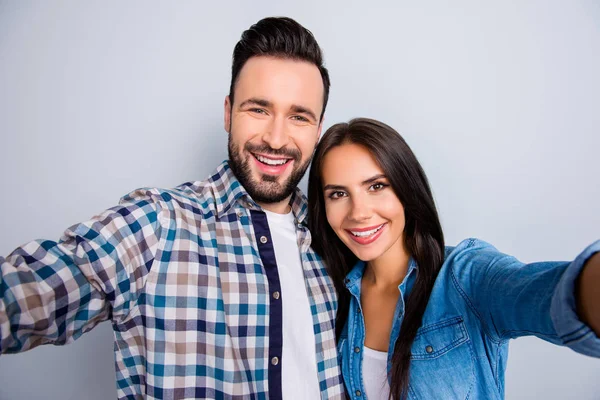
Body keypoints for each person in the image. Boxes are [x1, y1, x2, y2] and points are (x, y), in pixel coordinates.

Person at [0, 17, 345, 400]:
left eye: (298, 116)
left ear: (317, 130)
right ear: (228, 113)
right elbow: (28, 294)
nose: (276, 138)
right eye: (258, 110)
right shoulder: (157, 224)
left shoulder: (335, 239)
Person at [307, 118, 600, 399]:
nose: (358, 212)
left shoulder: (464, 277)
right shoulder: (336, 295)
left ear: (406, 188)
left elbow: (541, 292)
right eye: (338, 194)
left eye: (376, 186)